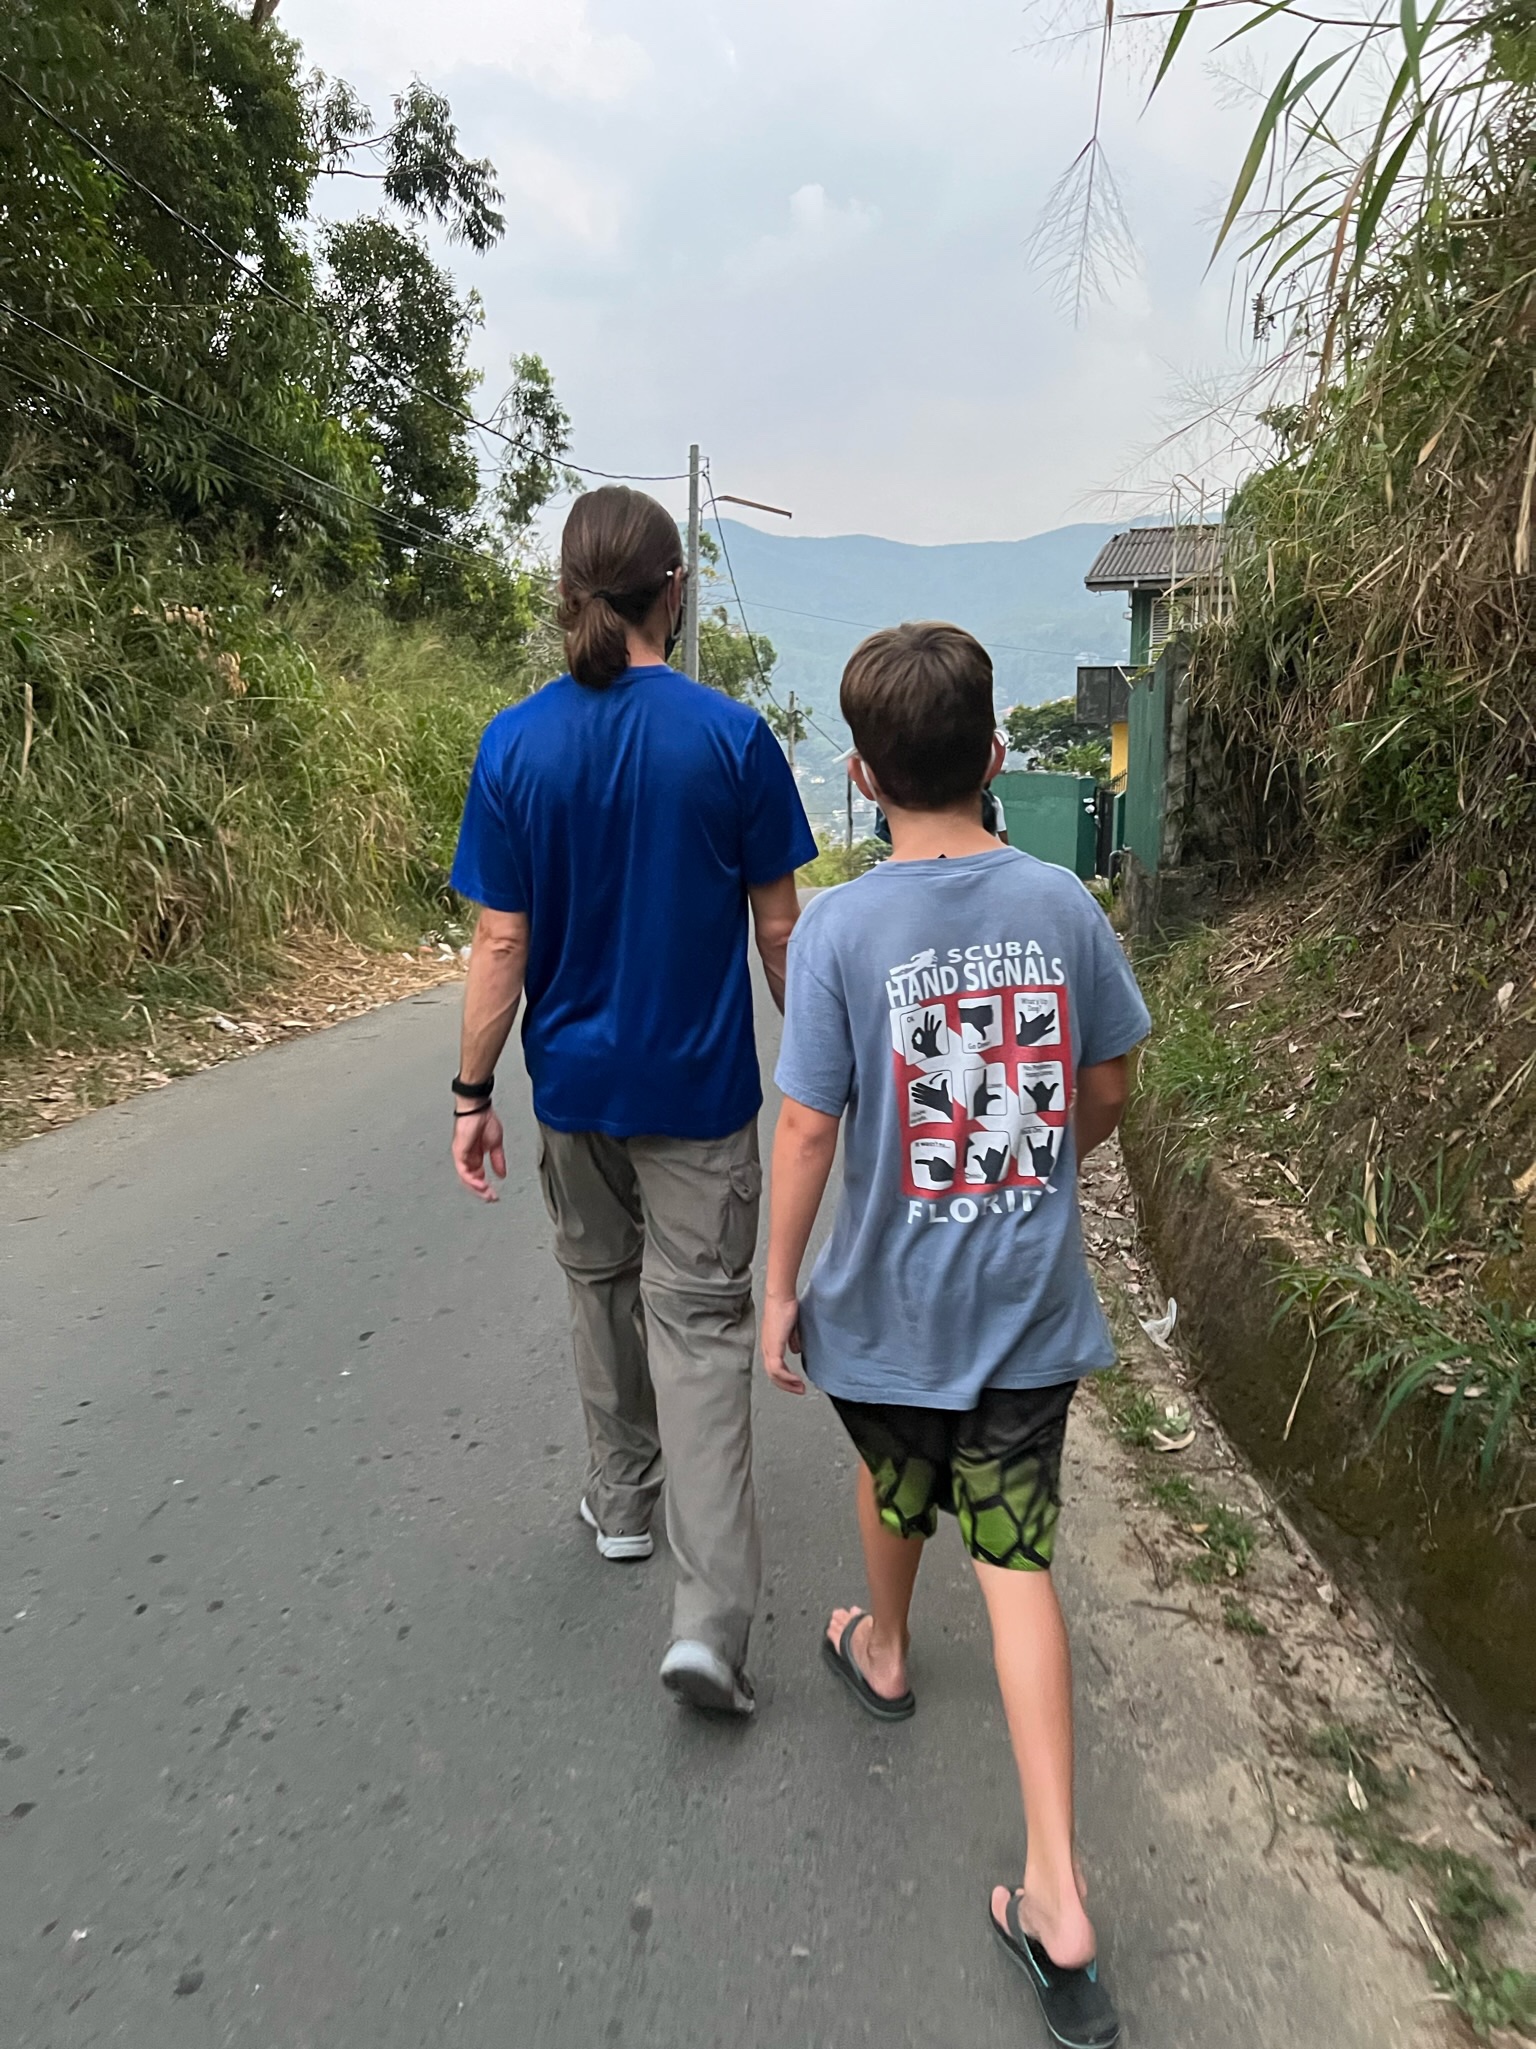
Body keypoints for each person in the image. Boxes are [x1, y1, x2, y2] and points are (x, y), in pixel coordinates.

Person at [762, 621, 1149, 2048]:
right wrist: (1045, 1167)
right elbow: (1109, 1083)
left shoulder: (840, 930)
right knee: (1019, 1560)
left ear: (863, 778)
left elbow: (809, 1129)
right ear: (995, 755)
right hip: (1027, 1315)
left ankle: (883, 1649)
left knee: (891, 1468)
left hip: (886, 1312)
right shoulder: (1062, 904)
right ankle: (1058, 1889)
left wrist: (779, 1286)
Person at [448, 485, 816, 1717]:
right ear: (677, 592)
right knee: (701, 1329)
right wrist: (824, 1073)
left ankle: (620, 1503)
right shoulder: (732, 739)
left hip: (573, 1091)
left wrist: (471, 1092)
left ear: (569, 593)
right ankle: (707, 1628)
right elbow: (780, 935)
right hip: (699, 1098)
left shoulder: (515, 744)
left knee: (599, 1286)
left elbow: (502, 941)